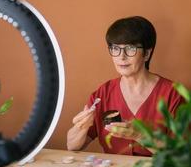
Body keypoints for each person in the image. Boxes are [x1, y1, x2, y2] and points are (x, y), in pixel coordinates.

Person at [67, 16, 183, 156]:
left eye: (130, 48)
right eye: (115, 48)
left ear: (146, 53)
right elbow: (72, 146)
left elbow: (181, 155)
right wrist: (82, 127)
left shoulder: (173, 94)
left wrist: (140, 135)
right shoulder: (102, 94)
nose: (121, 57)